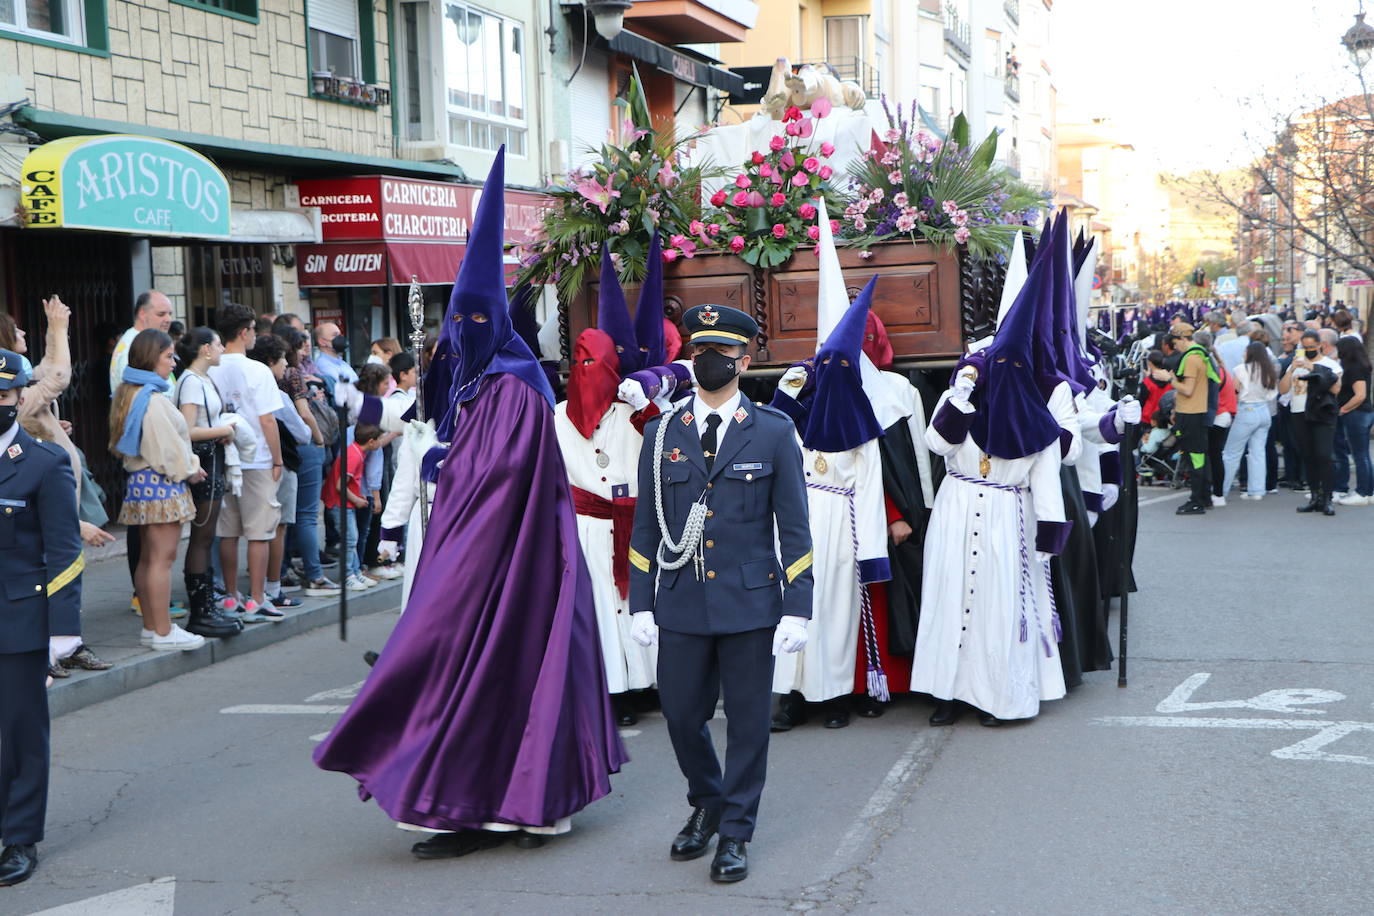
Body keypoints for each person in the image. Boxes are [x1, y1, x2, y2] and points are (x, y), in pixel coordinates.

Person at [316, 149, 626, 860]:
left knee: (512, 672)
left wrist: (444, 475)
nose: (461, 334)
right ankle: (463, 805)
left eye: (471, 321)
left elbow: (499, 477)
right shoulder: (478, 386)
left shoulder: (514, 387)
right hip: (481, 552)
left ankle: (526, 805)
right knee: (466, 671)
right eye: (457, 321)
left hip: (517, 560)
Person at [627, 302, 813, 883]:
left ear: (745, 359)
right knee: (681, 715)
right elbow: (646, 526)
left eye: (721, 354)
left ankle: (735, 831)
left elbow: (796, 527)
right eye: (700, 352)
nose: (709, 362)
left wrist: (797, 607)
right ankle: (707, 799)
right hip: (682, 597)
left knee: (750, 724)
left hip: (751, 602)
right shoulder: (661, 434)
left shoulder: (775, 431)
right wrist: (641, 600)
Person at [912, 228, 1068, 727]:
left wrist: (1048, 536)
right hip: (957, 508)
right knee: (949, 595)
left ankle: (999, 695)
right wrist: (962, 391)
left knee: (1000, 609)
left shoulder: (1038, 422)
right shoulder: (963, 397)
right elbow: (937, 444)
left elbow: (1046, 482)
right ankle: (947, 692)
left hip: (1007, 514)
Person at [770, 280, 889, 731]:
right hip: (798, 521)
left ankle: (834, 696)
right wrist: (787, 392)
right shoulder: (799, 415)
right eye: (825, 365)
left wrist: (871, 553)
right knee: (794, 607)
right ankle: (792, 696)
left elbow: (871, 493)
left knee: (835, 614)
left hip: (842, 527)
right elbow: (770, 437)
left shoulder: (862, 430)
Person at [554, 249, 658, 726]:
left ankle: (646, 683)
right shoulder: (556, 417)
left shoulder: (633, 413)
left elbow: (663, 443)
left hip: (633, 526)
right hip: (585, 528)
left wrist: (648, 403)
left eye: (597, 362)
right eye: (580, 362)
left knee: (637, 602)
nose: (587, 371)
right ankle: (610, 690)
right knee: (598, 606)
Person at [0, 348, 82, 887]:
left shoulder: (43, 462)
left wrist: (63, 630)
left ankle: (20, 835)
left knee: (19, 732)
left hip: (17, 617)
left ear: (20, 397)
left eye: (3, 395)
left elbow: (64, 551)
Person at [110, 330, 208, 650]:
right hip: (160, 484)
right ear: (152, 358)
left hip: (142, 484)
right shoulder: (149, 399)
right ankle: (164, 631)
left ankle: (153, 628)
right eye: (168, 356)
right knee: (161, 560)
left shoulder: (131, 393)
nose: (173, 362)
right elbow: (166, 449)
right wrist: (191, 468)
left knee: (149, 559)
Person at [208, 304, 284, 620]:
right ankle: (256, 597)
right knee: (259, 531)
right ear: (244, 332)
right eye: (253, 329)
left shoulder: (210, 366)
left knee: (228, 531)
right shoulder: (257, 370)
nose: (255, 335)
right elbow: (268, 420)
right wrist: (277, 459)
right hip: (257, 458)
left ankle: (230, 595)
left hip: (225, 455)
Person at [173, 328, 243, 638]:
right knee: (202, 535)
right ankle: (201, 610)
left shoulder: (200, 380)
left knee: (207, 533)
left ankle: (207, 607)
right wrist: (223, 431)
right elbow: (187, 429)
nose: (221, 349)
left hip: (212, 460)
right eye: (217, 343)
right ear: (204, 350)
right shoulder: (190, 382)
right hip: (202, 462)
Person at [247, 333, 309, 611]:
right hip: (276, 464)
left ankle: (244, 591)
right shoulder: (277, 394)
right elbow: (302, 432)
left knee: (247, 531)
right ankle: (272, 588)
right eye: (283, 358)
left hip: (245, 464)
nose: (286, 364)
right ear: (271, 360)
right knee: (277, 527)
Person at [1279, 329, 1342, 515]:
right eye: (1304, 347)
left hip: (1322, 414)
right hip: (1299, 413)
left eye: (1311, 347)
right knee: (1308, 455)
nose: (1308, 350)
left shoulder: (1329, 364)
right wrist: (1291, 369)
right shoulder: (1295, 364)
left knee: (1324, 455)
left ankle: (1327, 498)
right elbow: (1282, 390)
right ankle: (1314, 496)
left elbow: (1337, 388)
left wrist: (1312, 368)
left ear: (1320, 345)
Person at [323, 423, 383, 593]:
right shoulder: (354, 455)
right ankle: (348, 575)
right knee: (350, 539)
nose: (380, 443)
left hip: (345, 503)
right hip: (340, 504)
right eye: (378, 440)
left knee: (352, 538)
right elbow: (340, 485)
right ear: (371, 442)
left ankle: (355, 571)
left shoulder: (357, 452)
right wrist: (356, 499)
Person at [1220, 341, 1279, 502]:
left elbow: (1235, 391)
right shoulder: (1269, 370)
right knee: (1258, 453)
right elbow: (1272, 394)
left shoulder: (1240, 369)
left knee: (1231, 453)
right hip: (1264, 410)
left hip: (1246, 410)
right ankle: (1257, 490)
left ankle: (1221, 490)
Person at [1170, 325, 1216, 515]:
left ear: (1182, 339)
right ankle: (1204, 497)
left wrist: (1169, 379)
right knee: (1200, 456)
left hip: (1190, 414)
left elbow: (1187, 390)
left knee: (1194, 457)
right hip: (1197, 412)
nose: (1175, 347)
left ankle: (1196, 500)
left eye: (1175, 343)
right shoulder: (1202, 356)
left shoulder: (1191, 359)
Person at [1332, 336, 1374, 506]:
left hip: (1357, 414)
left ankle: (1363, 492)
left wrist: (1343, 409)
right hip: (1362, 413)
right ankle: (1368, 491)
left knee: (1360, 455)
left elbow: (1360, 395)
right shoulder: (1359, 366)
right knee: (1363, 455)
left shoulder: (1354, 368)